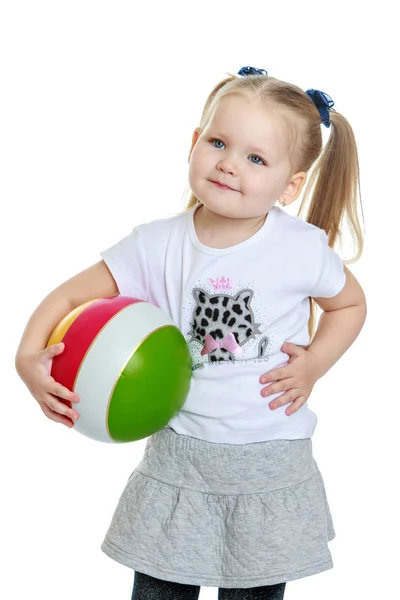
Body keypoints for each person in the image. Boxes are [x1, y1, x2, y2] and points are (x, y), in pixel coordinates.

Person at [15, 66, 367, 599]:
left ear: (290, 185)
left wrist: (315, 362)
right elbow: (67, 297)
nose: (228, 164)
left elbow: (351, 304)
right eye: (218, 142)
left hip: (269, 462)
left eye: (256, 158)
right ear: (194, 143)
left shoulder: (301, 248)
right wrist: (26, 356)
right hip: (181, 458)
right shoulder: (156, 244)